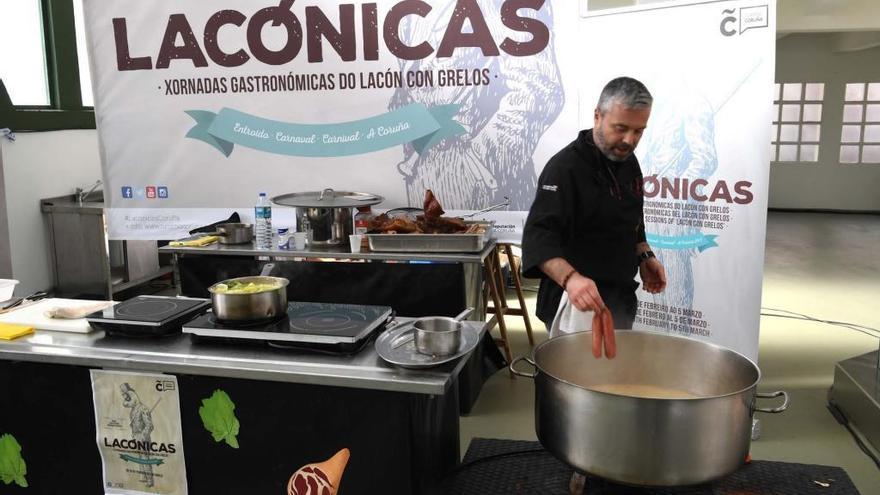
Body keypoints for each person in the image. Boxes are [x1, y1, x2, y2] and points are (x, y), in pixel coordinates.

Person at [522, 76, 667, 341]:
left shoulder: (628, 161)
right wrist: (571, 279)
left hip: (619, 297)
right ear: (598, 116)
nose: (629, 139)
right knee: (575, 380)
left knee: (615, 377)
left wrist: (645, 256)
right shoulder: (564, 169)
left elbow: (633, 217)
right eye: (621, 128)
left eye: (638, 131)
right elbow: (539, 237)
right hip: (573, 301)